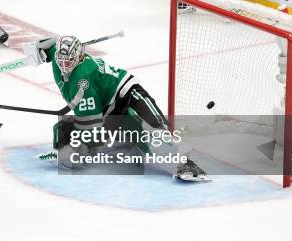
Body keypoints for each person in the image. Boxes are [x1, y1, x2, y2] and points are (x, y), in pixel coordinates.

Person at [22, 36, 208, 181]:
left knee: (154, 131)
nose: (64, 66)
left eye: (69, 61)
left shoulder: (83, 80)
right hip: (107, 106)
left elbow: (91, 127)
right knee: (63, 132)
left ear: (79, 57)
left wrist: (73, 149)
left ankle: (184, 163)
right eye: (60, 61)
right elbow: (55, 42)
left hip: (126, 93)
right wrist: (39, 48)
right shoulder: (60, 58)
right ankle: (126, 136)